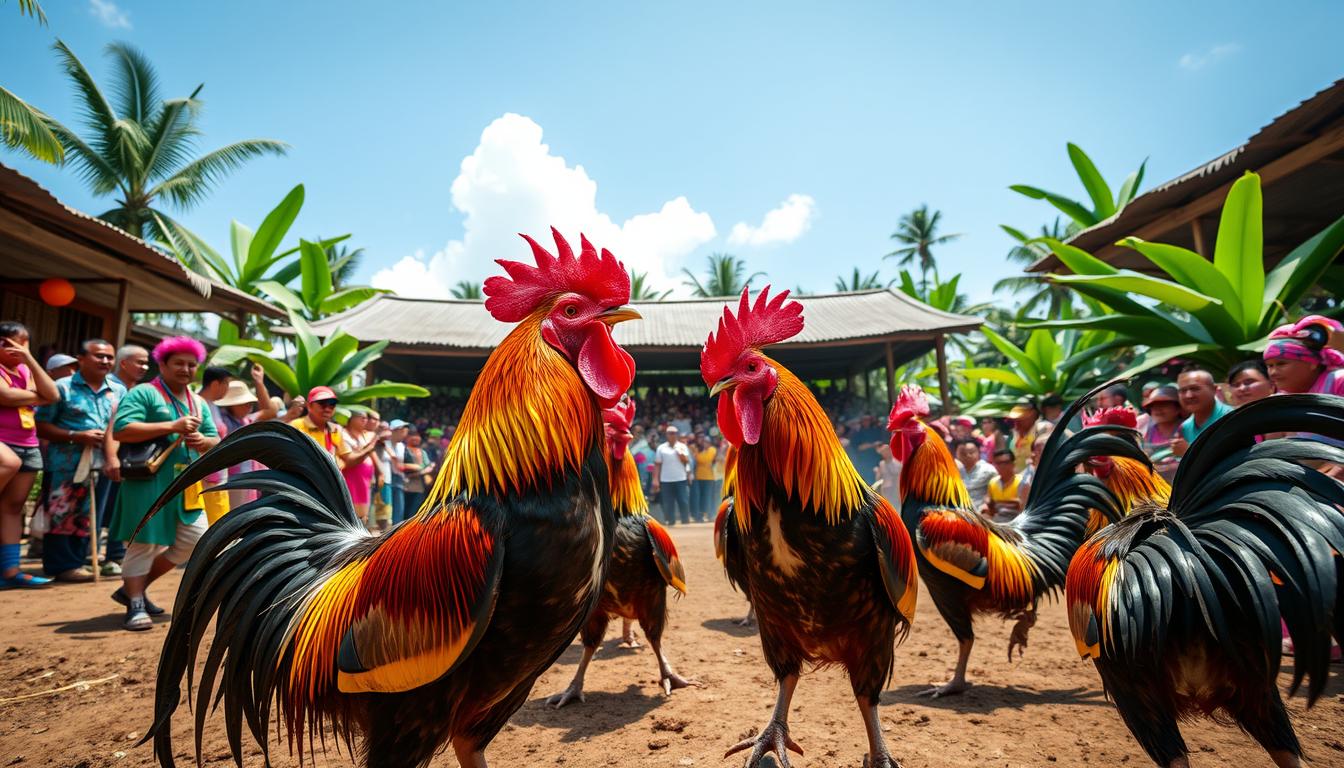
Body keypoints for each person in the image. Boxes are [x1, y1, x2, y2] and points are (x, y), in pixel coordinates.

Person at [108, 336, 219, 630]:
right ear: (163, 364)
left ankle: (134, 588)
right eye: (179, 363)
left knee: (195, 541)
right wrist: (172, 426)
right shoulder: (144, 392)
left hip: (186, 485)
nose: (186, 369)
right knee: (143, 543)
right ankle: (135, 603)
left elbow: (215, 439)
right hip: (147, 482)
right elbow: (122, 429)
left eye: (191, 364)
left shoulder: (198, 402)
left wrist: (203, 441)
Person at [35, 338, 125, 580]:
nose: (105, 361)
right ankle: (62, 566)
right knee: (61, 512)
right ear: (82, 359)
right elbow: (41, 425)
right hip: (64, 463)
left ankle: (80, 561)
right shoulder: (62, 387)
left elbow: (116, 427)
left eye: (109, 357)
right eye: (99, 356)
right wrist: (76, 435)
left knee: (90, 513)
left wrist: (111, 457)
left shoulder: (118, 391)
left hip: (101, 462)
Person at [0, 321, 60, 588]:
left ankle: (10, 571)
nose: (15, 348)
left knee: (13, 507)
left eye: (22, 343)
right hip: (3, 442)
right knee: (9, 462)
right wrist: (36, 396)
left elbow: (53, 394)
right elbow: (6, 396)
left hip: (28, 443)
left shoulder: (26, 368)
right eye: (8, 342)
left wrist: (30, 360)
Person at [213, 365, 278, 509]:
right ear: (232, 404)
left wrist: (259, 382)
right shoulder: (221, 422)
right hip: (231, 480)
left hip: (248, 478)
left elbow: (270, 410)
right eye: (245, 403)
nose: (250, 406)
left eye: (250, 403)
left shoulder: (246, 420)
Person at [196, 366, 234, 525]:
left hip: (217, 472)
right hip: (206, 474)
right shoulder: (197, 404)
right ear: (216, 384)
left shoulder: (213, 406)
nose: (227, 389)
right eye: (226, 384)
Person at [1170, 367, 1232, 458]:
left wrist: (1189, 452)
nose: (1189, 396)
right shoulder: (1185, 427)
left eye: (1195, 389)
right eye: (1183, 391)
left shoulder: (1231, 418)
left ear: (1214, 389)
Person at [289, 385, 352, 465]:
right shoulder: (296, 426)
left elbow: (348, 459)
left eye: (332, 405)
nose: (327, 409)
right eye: (322, 404)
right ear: (309, 406)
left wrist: (366, 449)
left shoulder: (335, 429)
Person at [341, 410, 383, 527]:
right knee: (349, 511)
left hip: (365, 481)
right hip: (350, 477)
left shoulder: (364, 435)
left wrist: (380, 473)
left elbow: (371, 453)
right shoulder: (343, 434)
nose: (365, 420)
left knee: (363, 515)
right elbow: (350, 459)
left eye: (366, 418)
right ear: (351, 419)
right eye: (361, 417)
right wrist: (370, 446)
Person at [1140, 384, 1182, 481]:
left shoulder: (1186, 429)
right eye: (1153, 406)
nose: (1157, 409)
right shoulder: (1143, 428)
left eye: (1164, 405)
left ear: (1178, 408)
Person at [653, 425, 691, 526]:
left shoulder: (682, 446)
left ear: (677, 434)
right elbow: (657, 464)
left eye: (674, 433)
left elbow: (686, 462)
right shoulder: (661, 448)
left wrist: (680, 454)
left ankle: (685, 520)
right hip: (666, 480)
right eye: (670, 433)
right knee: (668, 502)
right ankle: (670, 521)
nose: (672, 435)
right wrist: (655, 479)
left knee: (683, 500)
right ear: (666, 435)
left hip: (681, 478)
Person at [1008, 399, 1050, 472]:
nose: (1016, 423)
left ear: (1033, 414)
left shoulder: (1042, 428)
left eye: (1020, 419)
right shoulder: (1016, 432)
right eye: (1015, 420)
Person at [953, 437, 996, 510]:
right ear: (956, 454)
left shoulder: (988, 470)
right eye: (963, 453)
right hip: (958, 511)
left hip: (980, 512)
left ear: (979, 452)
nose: (968, 455)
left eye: (971, 452)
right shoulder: (953, 471)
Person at [399, 428, 433, 517]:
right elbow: (399, 465)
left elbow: (429, 466)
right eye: (412, 435)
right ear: (407, 438)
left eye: (417, 436)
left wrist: (421, 471)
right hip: (405, 486)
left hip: (420, 487)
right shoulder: (403, 450)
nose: (415, 438)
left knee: (415, 513)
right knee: (405, 512)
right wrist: (417, 468)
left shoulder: (422, 452)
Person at [983, 448, 1022, 522]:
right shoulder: (993, 482)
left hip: (1017, 520)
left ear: (1013, 464)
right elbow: (989, 501)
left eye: (1006, 462)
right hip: (998, 520)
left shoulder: (1022, 482)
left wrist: (999, 503)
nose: (1002, 466)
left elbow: (1022, 504)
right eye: (998, 463)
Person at [385, 419, 409, 524]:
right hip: (386, 478)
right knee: (387, 510)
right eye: (402, 431)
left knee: (399, 509)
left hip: (399, 479)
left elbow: (400, 464)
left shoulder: (401, 446)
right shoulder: (384, 443)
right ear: (394, 431)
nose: (404, 434)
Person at [691, 433, 718, 522]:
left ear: (709, 443)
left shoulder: (712, 449)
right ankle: (700, 516)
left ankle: (710, 515)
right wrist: (699, 453)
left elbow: (705, 459)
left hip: (709, 478)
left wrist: (699, 454)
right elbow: (698, 460)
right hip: (698, 477)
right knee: (699, 498)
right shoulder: (697, 450)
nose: (704, 443)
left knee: (708, 497)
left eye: (706, 442)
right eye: (703, 441)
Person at [873, 442, 902, 507]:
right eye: (883, 452)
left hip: (895, 491)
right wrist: (877, 472)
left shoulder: (898, 464)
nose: (885, 453)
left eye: (886, 451)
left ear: (890, 451)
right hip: (885, 491)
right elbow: (878, 479)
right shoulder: (881, 464)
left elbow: (899, 479)